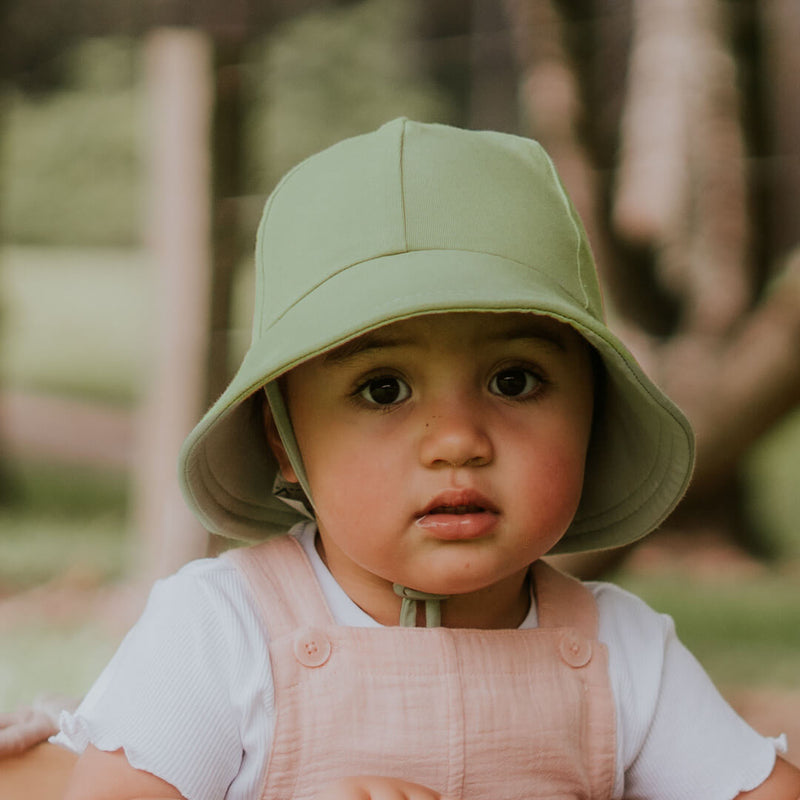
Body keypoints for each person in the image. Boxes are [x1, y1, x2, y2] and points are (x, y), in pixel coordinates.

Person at [54, 118, 800, 800]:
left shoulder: (623, 656)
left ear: (594, 414)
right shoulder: (222, 632)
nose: (457, 441)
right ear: (283, 440)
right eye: (382, 389)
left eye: (515, 381)